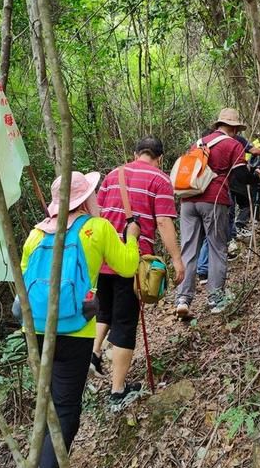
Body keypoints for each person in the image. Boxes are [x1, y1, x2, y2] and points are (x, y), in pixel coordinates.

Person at [21, 171, 140, 468]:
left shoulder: (36, 234)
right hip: (76, 330)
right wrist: (133, 238)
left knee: (46, 403)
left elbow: (24, 278)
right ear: (86, 198)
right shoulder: (96, 228)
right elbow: (127, 267)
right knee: (65, 410)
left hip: (35, 328)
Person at [92, 136, 184, 411]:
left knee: (104, 311)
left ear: (135, 153)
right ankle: (118, 391)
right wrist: (177, 259)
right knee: (125, 322)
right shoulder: (160, 180)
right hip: (132, 260)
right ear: (160, 158)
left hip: (103, 256)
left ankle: (94, 352)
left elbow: (97, 213)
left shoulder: (111, 176)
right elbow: (164, 222)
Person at [175, 108, 260, 316]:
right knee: (217, 248)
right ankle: (216, 299)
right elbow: (240, 176)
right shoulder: (232, 144)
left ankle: (183, 299)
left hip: (187, 200)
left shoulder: (199, 142)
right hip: (214, 200)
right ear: (233, 128)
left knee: (189, 249)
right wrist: (259, 176)